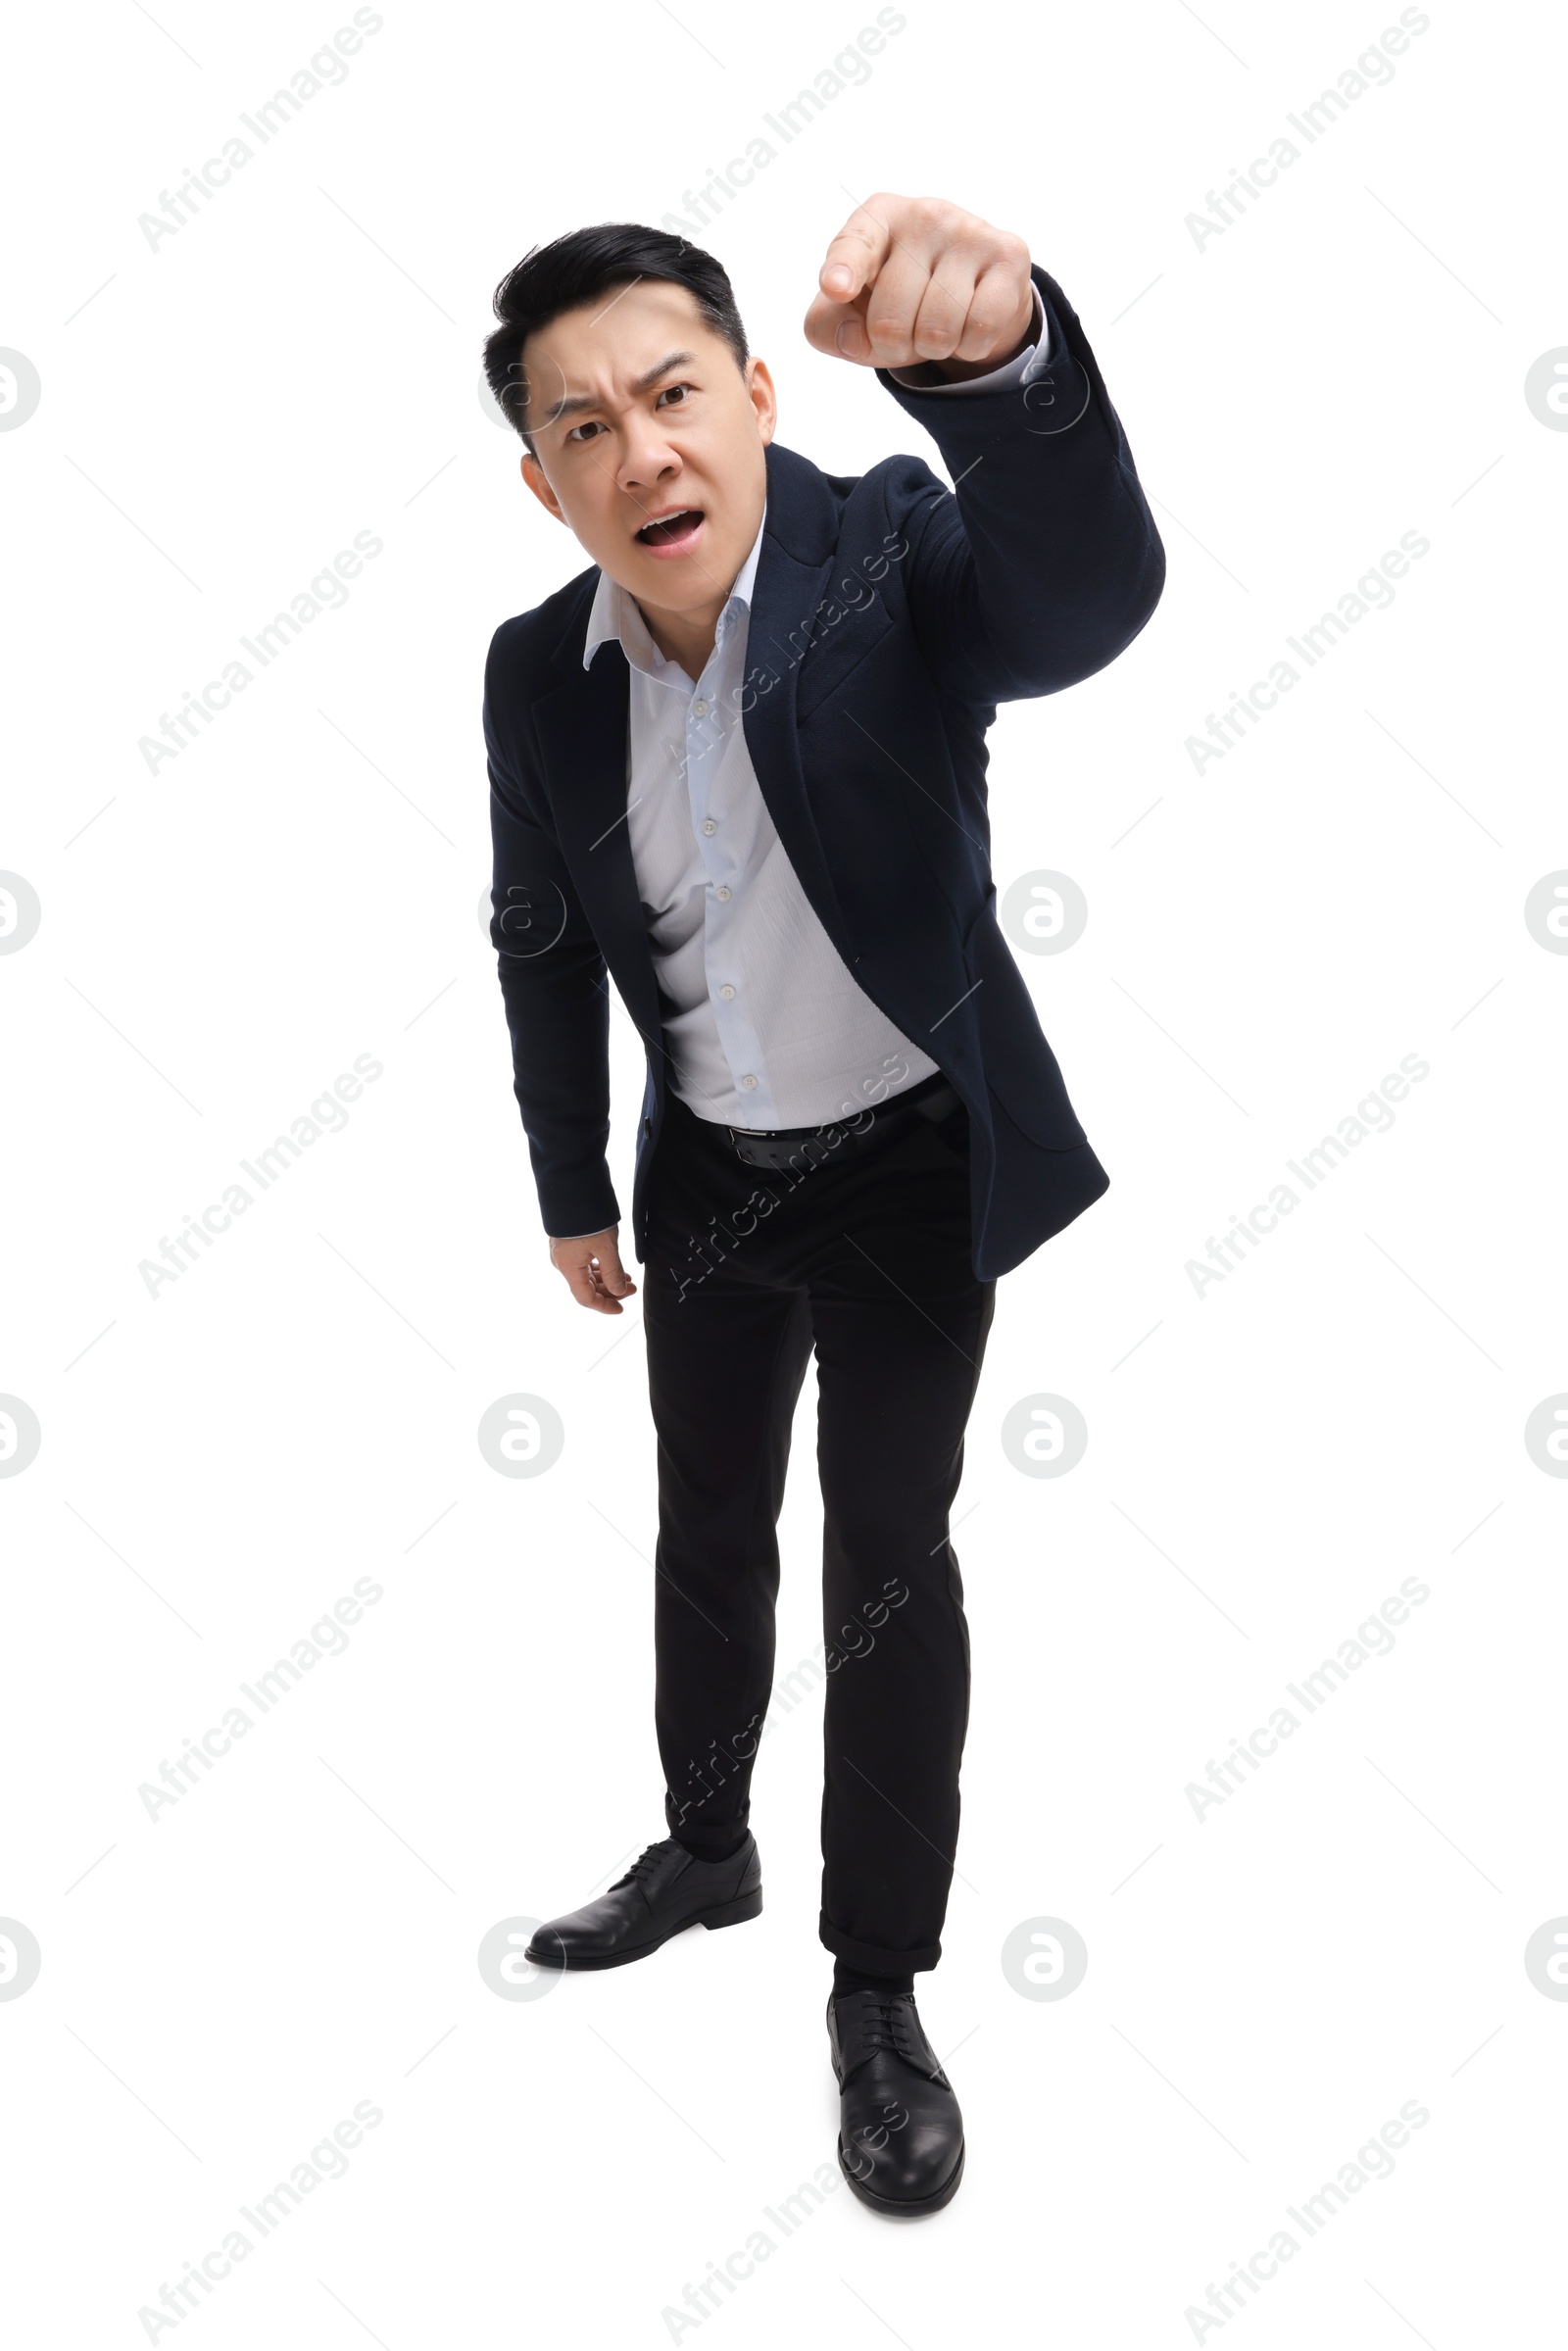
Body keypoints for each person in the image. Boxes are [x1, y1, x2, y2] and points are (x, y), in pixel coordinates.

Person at [480, 195, 1163, 2214]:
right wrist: (567, 1186)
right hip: (698, 1177)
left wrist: (1001, 376)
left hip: (896, 1170)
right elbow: (534, 929)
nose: (643, 453)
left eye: (674, 394)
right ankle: (704, 1847)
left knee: (882, 1562)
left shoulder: (876, 557)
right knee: (702, 1526)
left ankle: (875, 1990)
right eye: (584, 427)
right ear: (544, 481)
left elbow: (1079, 598)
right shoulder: (538, 668)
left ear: (757, 393)